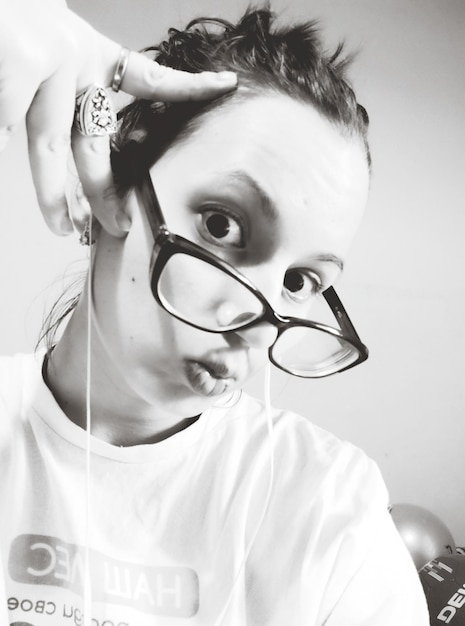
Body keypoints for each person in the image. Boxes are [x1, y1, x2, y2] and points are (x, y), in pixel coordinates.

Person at [0, 2, 430, 625]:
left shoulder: (328, 511)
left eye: (299, 281)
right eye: (223, 224)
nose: (260, 322)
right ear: (116, 183)